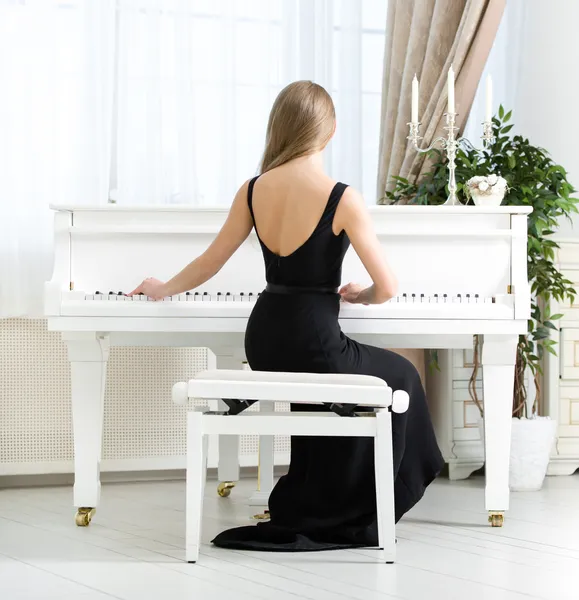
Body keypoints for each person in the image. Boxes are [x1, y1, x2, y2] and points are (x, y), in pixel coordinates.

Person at [129, 80, 444, 552]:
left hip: (266, 337)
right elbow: (389, 287)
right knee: (401, 376)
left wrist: (162, 287)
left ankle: (320, 501)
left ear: (279, 128)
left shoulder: (254, 190)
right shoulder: (343, 197)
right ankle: (359, 509)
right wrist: (360, 296)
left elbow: (209, 262)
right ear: (331, 129)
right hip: (314, 336)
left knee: (328, 391)